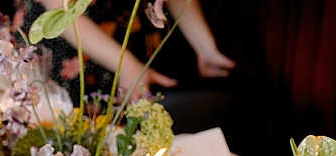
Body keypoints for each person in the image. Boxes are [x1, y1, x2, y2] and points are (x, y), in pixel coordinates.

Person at [31, 0, 235, 101]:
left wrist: (204, 46)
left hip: (138, 46)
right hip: (70, 47)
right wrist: (127, 66)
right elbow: (61, 10)